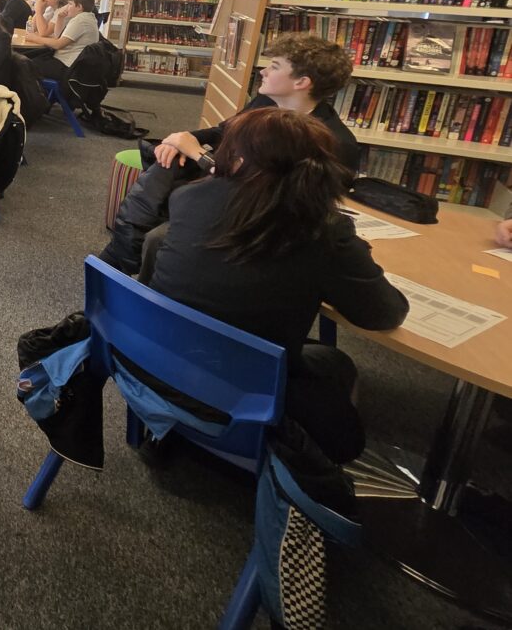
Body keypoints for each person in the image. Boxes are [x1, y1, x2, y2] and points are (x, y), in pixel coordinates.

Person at [139, 108, 408, 463]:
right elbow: (383, 312)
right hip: (242, 383)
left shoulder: (190, 198)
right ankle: (286, 457)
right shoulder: (324, 229)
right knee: (336, 363)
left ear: (237, 159)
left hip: (154, 364)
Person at [154, 35, 360, 171]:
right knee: (165, 168)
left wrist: (196, 153)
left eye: (275, 67)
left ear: (302, 82)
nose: (263, 72)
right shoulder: (265, 102)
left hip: (256, 218)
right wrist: (184, 139)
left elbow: (259, 187)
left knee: (163, 224)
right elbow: (225, 131)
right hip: (222, 184)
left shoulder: (332, 142)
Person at [22, 0, 99, 82]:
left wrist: (34, 38)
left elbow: (58, 44)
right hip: (68, 62)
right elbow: (57, 37)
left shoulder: (80, 20)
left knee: (25, 64)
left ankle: (32, 95)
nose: (67, 7)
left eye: (70, 4)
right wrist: (60, 18)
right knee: (28, 59)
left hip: (67, 66)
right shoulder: (87, 17)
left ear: (79, 7)